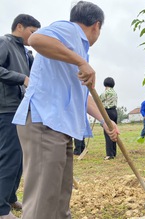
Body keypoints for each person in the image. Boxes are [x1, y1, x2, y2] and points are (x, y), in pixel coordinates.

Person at [12, 2, 119, 219]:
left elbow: (82, 96)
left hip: (59, 128)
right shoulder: (70, 30)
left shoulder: (76, 50)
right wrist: (81, 62)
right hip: (45, 124)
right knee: (43, 202)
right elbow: (36, 39)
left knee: (59, 200)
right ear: (96, 26)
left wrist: (105, 121)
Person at [0, 14, 41, 219]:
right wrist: (22, 78)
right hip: (6, 108)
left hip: (22, 109)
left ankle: (9, 196)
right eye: (32, 32)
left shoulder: (26, 53)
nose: (34, 38)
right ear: (19, 26)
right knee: (9, 157)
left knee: (20, 157)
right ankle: (1, 209)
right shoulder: (4, 43)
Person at [100, 77, 118, 160]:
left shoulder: (105, 93)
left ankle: (109, 154)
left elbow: (99, 101)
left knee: (108, 133)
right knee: (114, 131)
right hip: (114, 112)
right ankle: (114, 152)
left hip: (107, 112)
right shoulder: (114, 93)